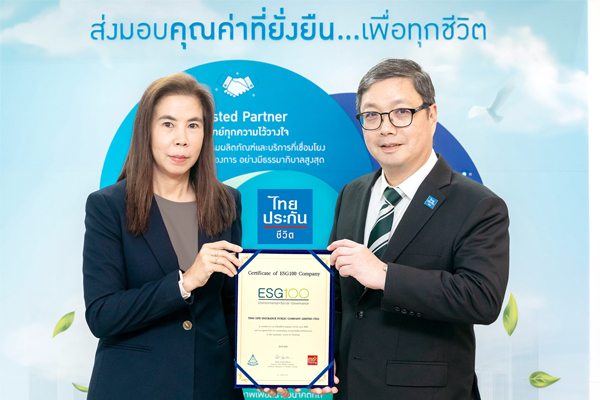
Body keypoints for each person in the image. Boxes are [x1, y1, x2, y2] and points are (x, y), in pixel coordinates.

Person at [322, 59, 510, 399]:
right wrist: (309, 362)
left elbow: (481, 299)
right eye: (372, 115)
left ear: (431, 115)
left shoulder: (478, 204)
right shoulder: (352, 194)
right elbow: (337, 296)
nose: (386, 128)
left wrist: (385, 275)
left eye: (401, 113)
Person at [83, 72, 244, 400]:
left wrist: (266, 368)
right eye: (168, 124)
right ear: (147, 130)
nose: (182, 139)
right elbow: (102, 315)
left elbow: (232, 305)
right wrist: (185, 282)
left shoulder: (227, 201)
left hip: (212, 387)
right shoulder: (108, 206)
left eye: (193, 125)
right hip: (135, 387)